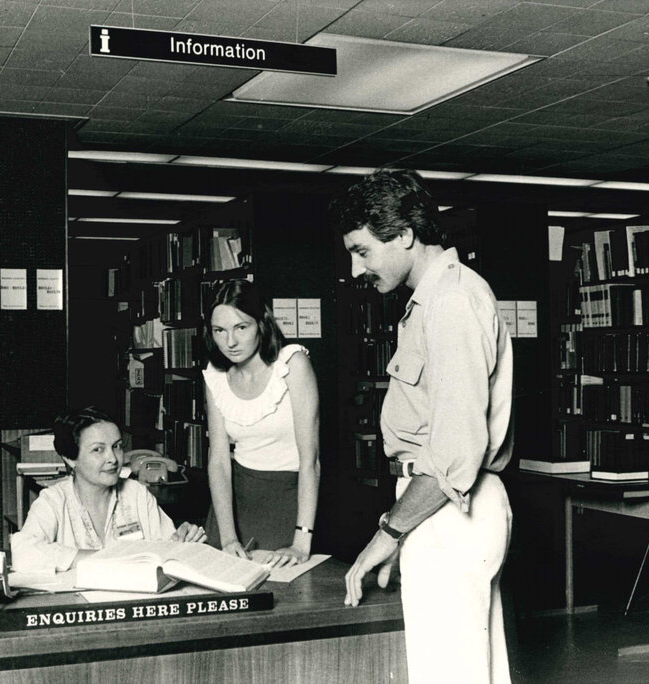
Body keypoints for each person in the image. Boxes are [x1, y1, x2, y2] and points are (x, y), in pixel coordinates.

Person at [330, 169, 514, 684]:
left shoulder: (450, 302)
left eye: (362, 251)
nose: (355, 268)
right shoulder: (435, 298)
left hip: (450, 506)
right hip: (441, 506)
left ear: (405, 235)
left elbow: (455, 451)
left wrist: (389, 532)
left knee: (449, 674)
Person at [202, 279, 320, 568]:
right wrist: (228, 538)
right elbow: (218, 460)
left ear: (261, 323)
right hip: (233, 503)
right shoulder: (215, 375)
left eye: (241, 327)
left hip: (289, 499)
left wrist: (301, 541)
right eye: (219, 330)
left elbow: (311, 460)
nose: (230, 342)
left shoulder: (292, 364)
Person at [10, 407, 207, 573]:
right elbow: (23, 553)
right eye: (98, 449)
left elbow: (164, 549)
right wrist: (103, 559)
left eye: (117, 446)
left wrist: (181, 541)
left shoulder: (137, 494)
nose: (112, 458)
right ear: (71, 458)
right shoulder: (53, 500)